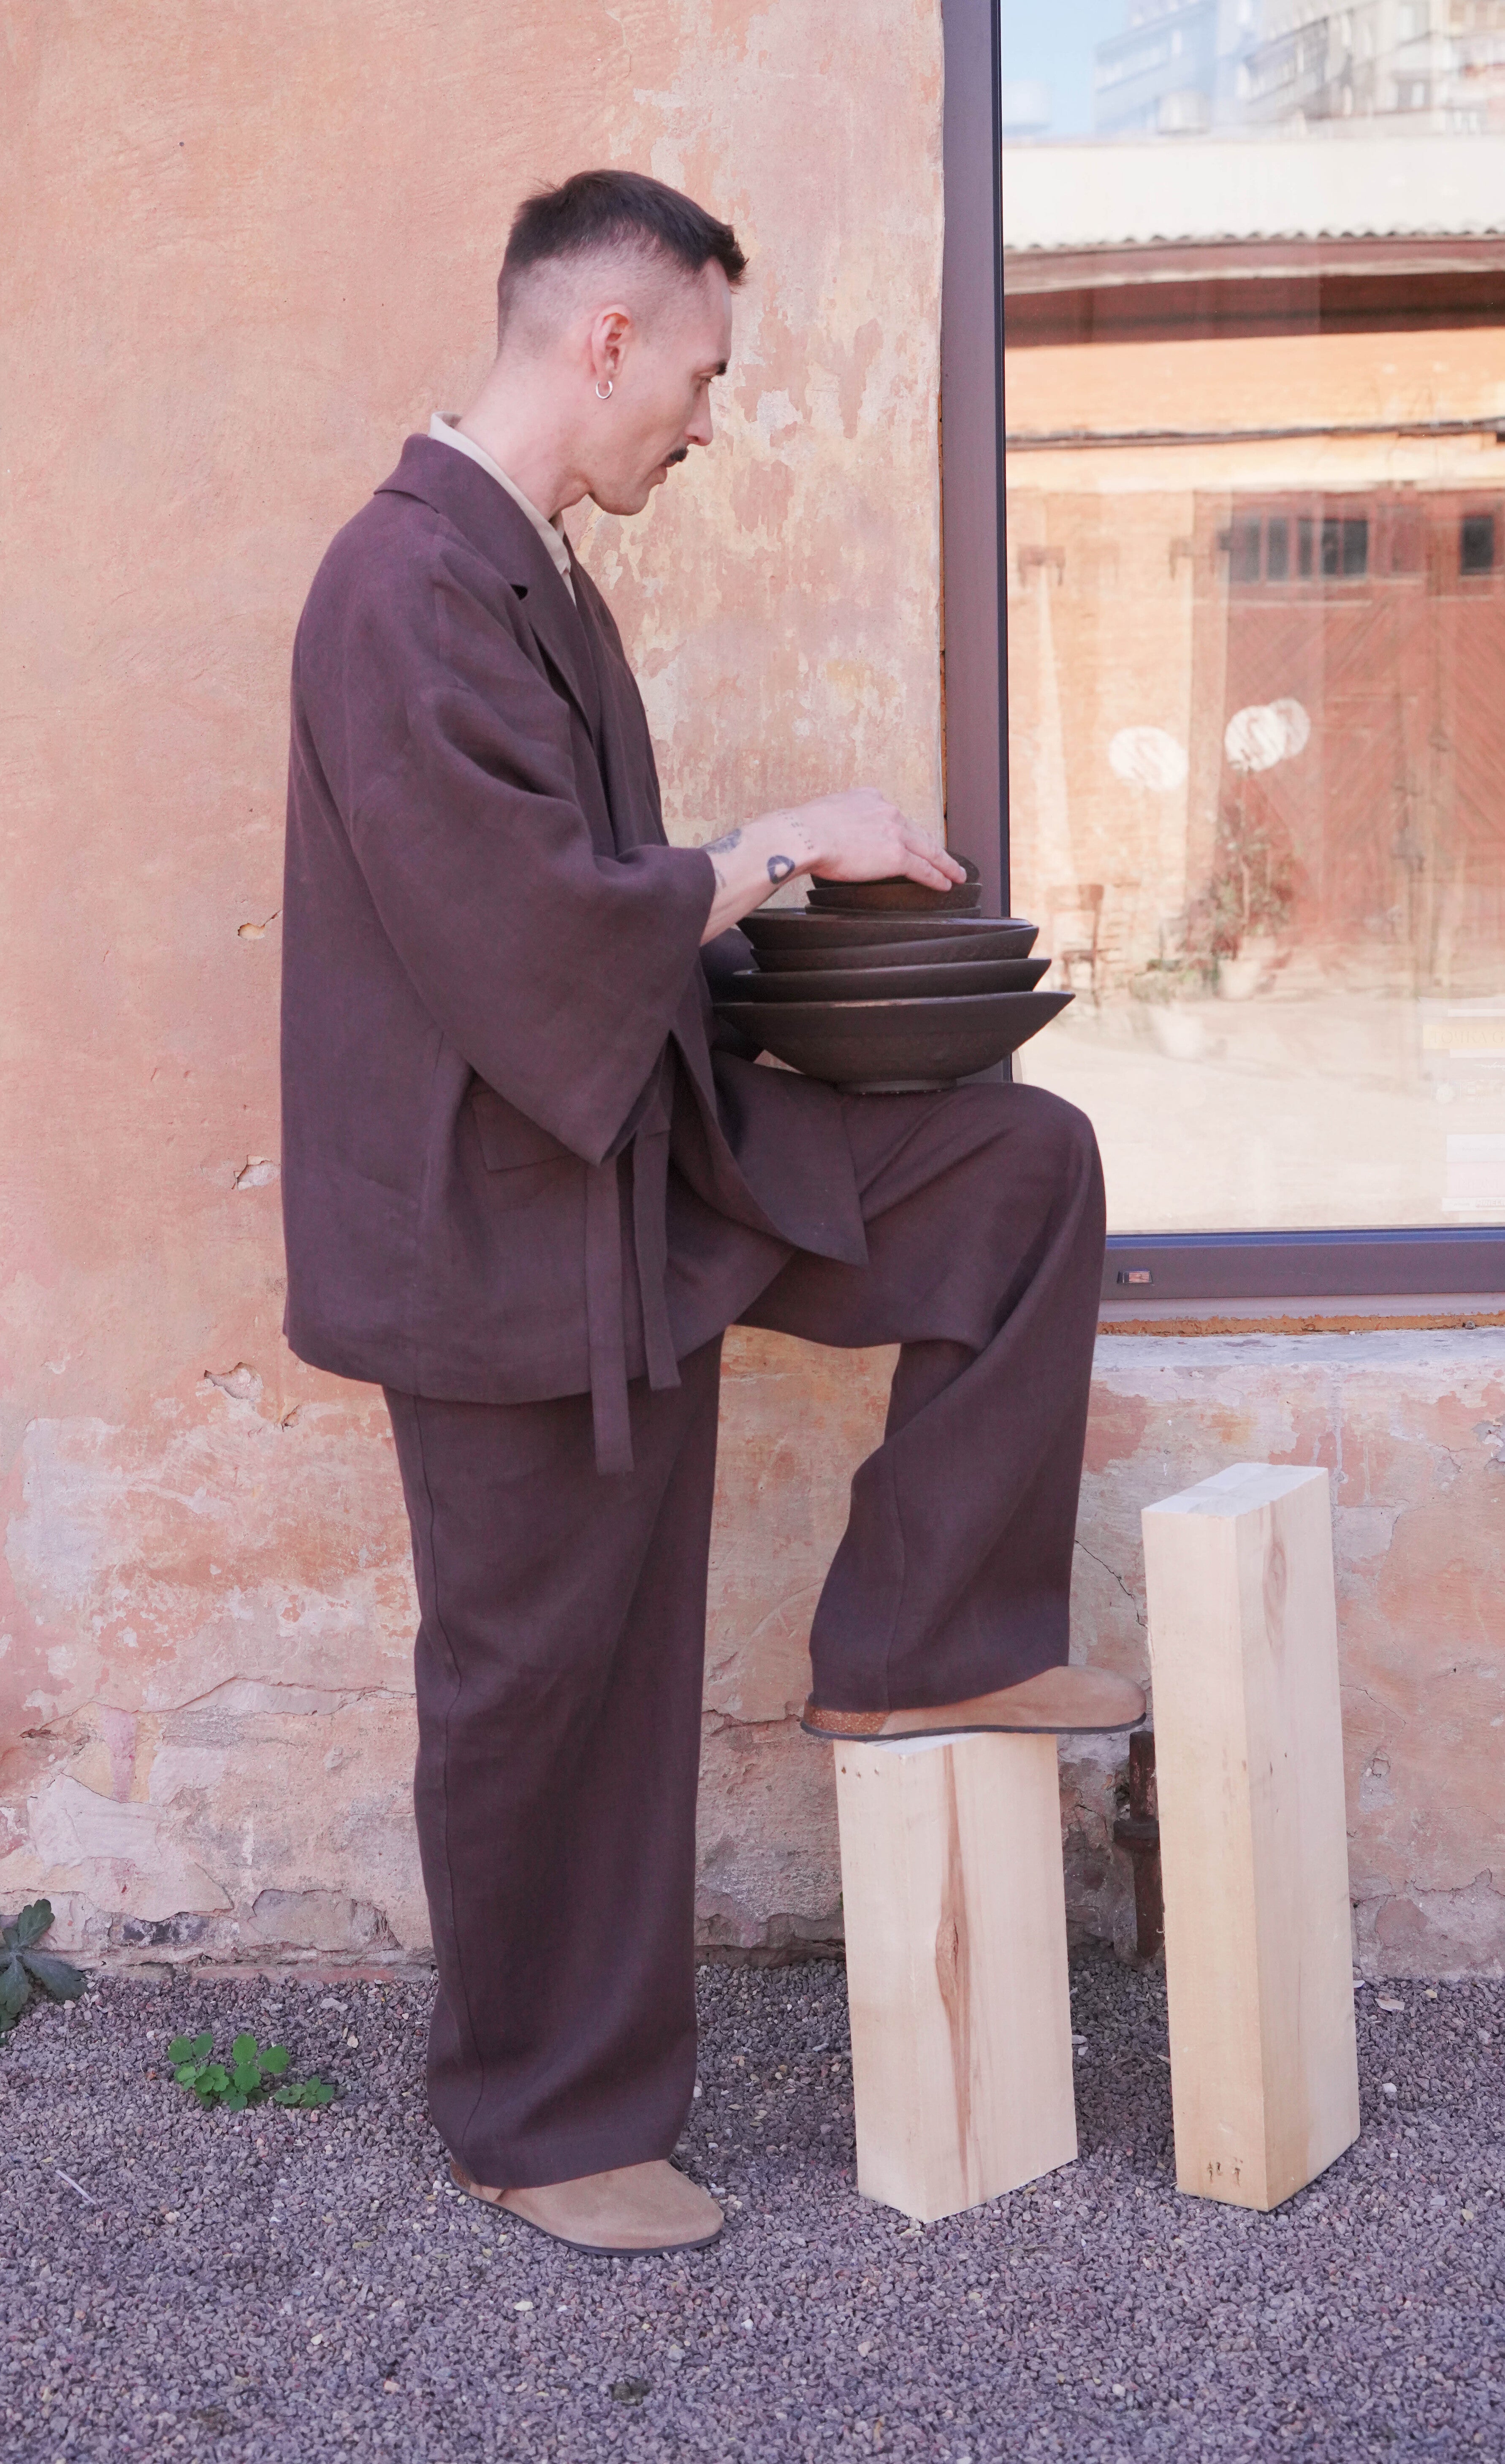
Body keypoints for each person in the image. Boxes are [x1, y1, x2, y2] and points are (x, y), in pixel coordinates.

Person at [280, 168, 1142, 2258]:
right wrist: (767, 845)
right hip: (499, 1240)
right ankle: (535, 2115)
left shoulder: (534, 581)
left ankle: (921, 1636)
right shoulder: (399, 586)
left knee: (1012, 1170)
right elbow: (521, 934)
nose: (707, 413)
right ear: (604, 341)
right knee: (545, 1672)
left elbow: (603, 943)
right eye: (701, 370)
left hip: (645, 1170)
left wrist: (836, 995)